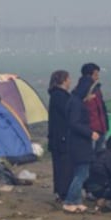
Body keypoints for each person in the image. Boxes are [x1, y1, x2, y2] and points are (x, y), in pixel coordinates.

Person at [63, 69, 101, 213]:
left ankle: (77, 201)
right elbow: (74, 123)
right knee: (81, 173)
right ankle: (69, 201)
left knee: (80, 172)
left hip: (78, 142)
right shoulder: (76, 104)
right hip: (79, 143)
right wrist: (90, 133)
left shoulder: (75, 100)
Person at [47, 70, 73, 202]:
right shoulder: (59, 96)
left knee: (60, 166)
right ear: (63, 80)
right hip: (61, 137)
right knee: (63, 166)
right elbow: (67, 113)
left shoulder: (57, 95)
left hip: (57, 137)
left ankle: (60, 191)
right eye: (69, 79)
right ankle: (63, 192)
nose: (70, 82)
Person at [72, 63, 109, 151]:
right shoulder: (81, 90)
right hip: (90, 131)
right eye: (96, 75)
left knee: (99, 155)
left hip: (101, 128)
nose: (97, 77)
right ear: (88, 76)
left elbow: (102, 108)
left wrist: (106, 125)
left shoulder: (96, 89)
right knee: (90, 155)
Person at [84, 134, 111, 209]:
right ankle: (104, 199)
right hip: (100, 188)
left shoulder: (99, 153)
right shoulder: (110, 156)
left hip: (90, 187)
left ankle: (96, 197)